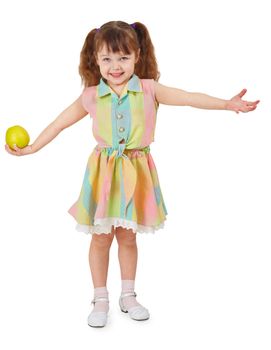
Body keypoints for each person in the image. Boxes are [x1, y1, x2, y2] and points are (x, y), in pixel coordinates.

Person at [5, 20, 260, 328]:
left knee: (127, 236)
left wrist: (225, 104)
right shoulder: (90, 95)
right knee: (101, 238)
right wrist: (33, 148)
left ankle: (128, 295)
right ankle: (100, 298)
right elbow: (60, 123)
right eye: (107, 58)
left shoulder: (149, 89)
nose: (115, 66)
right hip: (104, 174)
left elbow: (189, 97)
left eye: (123, 57)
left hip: (136, 171)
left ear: (137, 56)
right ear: (95, 59)